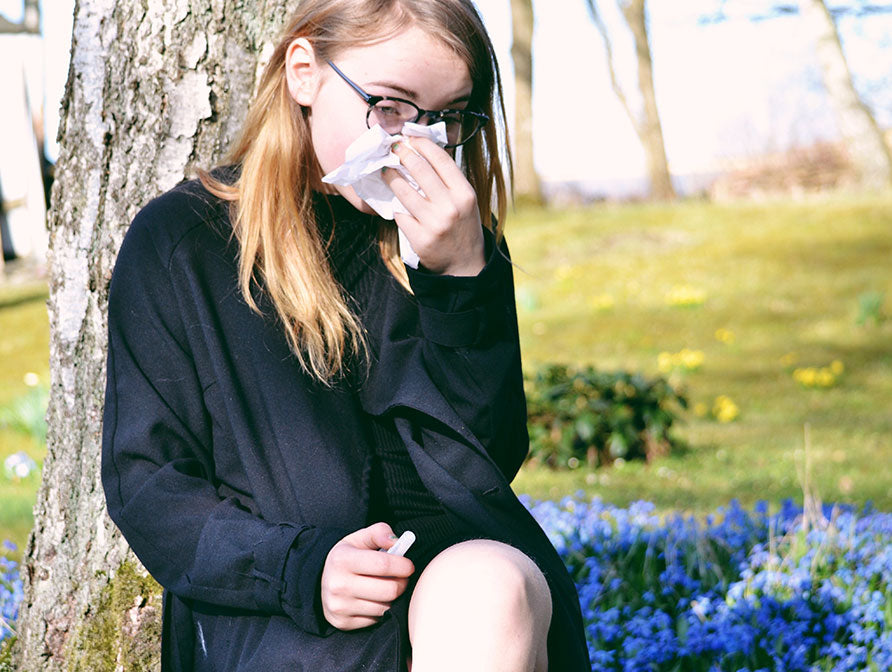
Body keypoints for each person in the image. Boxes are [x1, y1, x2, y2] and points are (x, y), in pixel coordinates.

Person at [101, 0, 590, 670]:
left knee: (493, 589)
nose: (419, 140)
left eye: (449, 115)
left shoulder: (453, 242)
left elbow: (486, 458)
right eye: (390, 106)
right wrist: (301, 570)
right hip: (283, 601)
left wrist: (461, 279)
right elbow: (147, 482)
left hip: (449, 583)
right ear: (305, 74)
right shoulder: (185, 243)